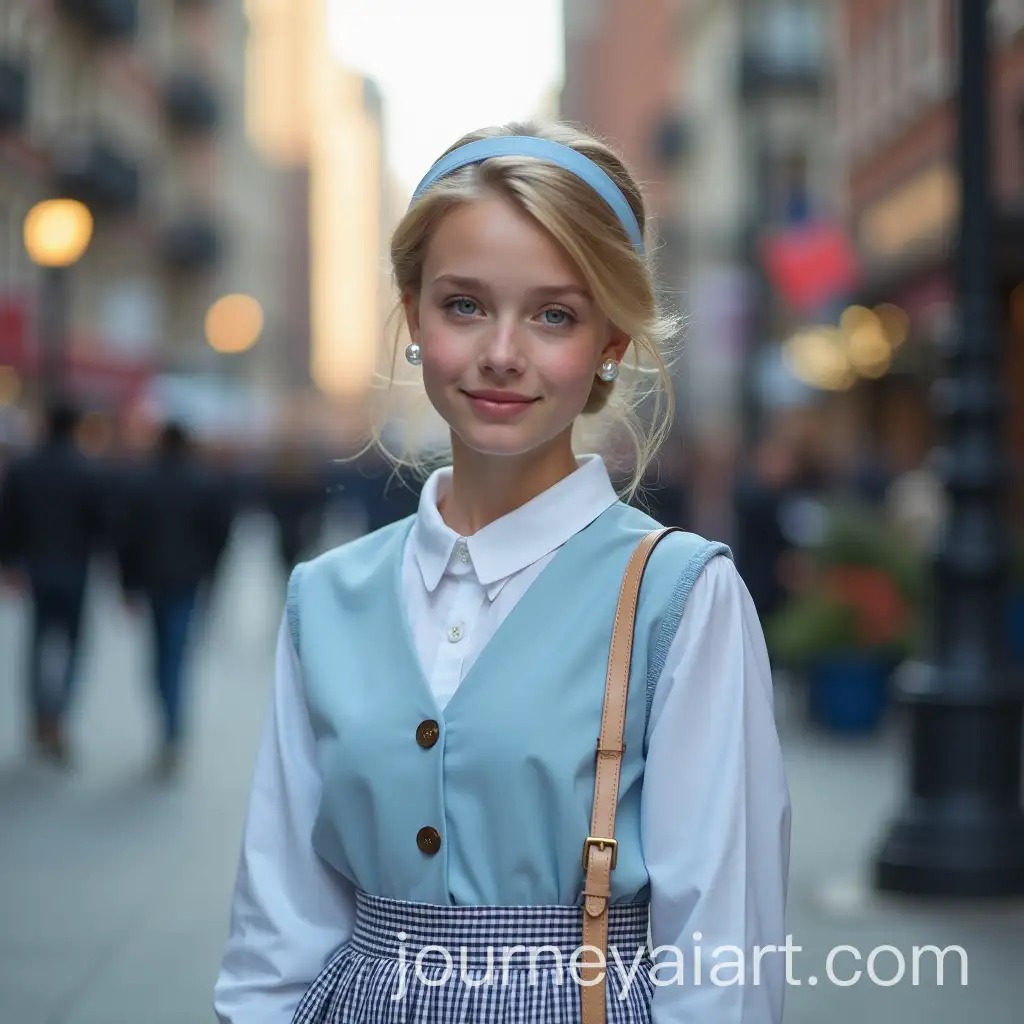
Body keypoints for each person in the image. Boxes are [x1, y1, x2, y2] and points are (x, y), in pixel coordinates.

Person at [213, 122, 791, 1024]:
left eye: (554, 314)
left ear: (611, 342)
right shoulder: (324, 597)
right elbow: (275, 933)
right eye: (464, 305)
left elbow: (724, 965)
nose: (502, 353)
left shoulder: (681, 597)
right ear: (414, 314)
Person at [115, 421, 232, 778]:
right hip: (186, 580)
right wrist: (209, 570)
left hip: (153, 580)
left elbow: (126, 537)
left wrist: (127, 584)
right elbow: (219, 533)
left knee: (160, 655)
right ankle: (172, 732)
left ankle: (169, 729)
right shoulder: (202, 482)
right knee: (176, 656)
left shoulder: (141, 482)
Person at [0, 402, 105, 766]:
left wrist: (9, 563)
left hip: (37, 567)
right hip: (74, 568)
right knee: (72, 647)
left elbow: (7, 520)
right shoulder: (87, 471)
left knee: (38, 643)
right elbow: (101, 525)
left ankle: (39, 715)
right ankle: (58, 717)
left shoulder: (25, 468)